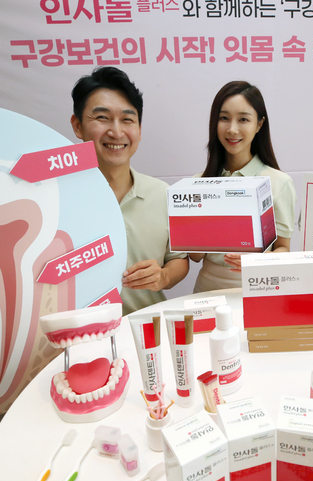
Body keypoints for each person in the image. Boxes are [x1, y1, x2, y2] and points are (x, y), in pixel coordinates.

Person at [71, 67, 188, 315]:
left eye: (127, 119)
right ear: (78, 125)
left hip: (147, 328)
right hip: (82, 331)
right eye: (102, 117)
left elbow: (179, 259)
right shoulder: (60, 198)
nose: (116, 132)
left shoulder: (162, 194)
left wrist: (163, 276)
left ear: (139, 129)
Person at [190, 81, 296, 292]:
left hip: (259, 286)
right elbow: (195, 256)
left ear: (259, 124)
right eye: (224, 118)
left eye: (243, 119)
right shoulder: (198, 183)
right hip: (208, 287)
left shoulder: (279, 182)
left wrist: (256, 261)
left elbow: (283, 249)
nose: (232, 129)